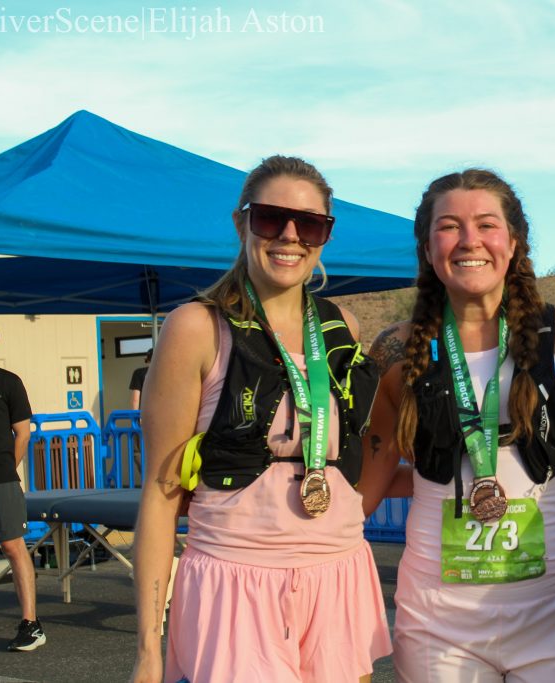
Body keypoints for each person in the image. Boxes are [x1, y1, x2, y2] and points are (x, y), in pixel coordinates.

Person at [129, 155, 390, 683]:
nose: (290, 235)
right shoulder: (196, 327)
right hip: (236, 581)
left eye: (310, 223)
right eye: (271, 218)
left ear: (326, 235)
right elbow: (159, 496)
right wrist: (147, 653)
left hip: (338, 572)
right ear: (241, 221)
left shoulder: (343, 325)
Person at [361, 169, 555, 682]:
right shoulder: (395, 349)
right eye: (450, 226)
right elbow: (361, 495)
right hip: (439, 620)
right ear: (427, 246)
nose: (469, 241)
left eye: (486, 224)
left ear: (514, 241)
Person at [0, 316, 43, 651]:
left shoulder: (6, 382)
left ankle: (31, 623)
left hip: (0, 481)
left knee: (13, 548)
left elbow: (23, 433)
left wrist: (5, 467)